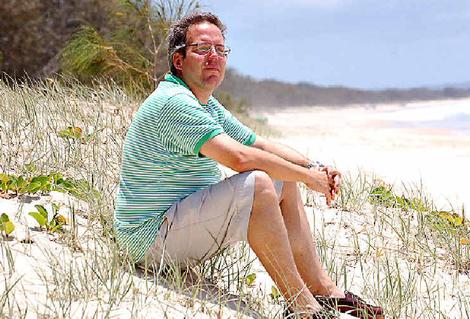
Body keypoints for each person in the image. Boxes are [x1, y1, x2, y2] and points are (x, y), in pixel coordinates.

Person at [113, 12, 383, 319]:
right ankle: (303, 309)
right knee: (259, 183)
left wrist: (315, 167)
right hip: (149, 241)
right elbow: (240, 159)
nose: (213, 56)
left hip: (175, 226)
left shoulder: (203, 102)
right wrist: (309, 178)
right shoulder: (174, 103)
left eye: (220, 50)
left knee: (282, 179)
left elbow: (259, 144)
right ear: (179, 60)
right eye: (202, 49)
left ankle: (323, 290)